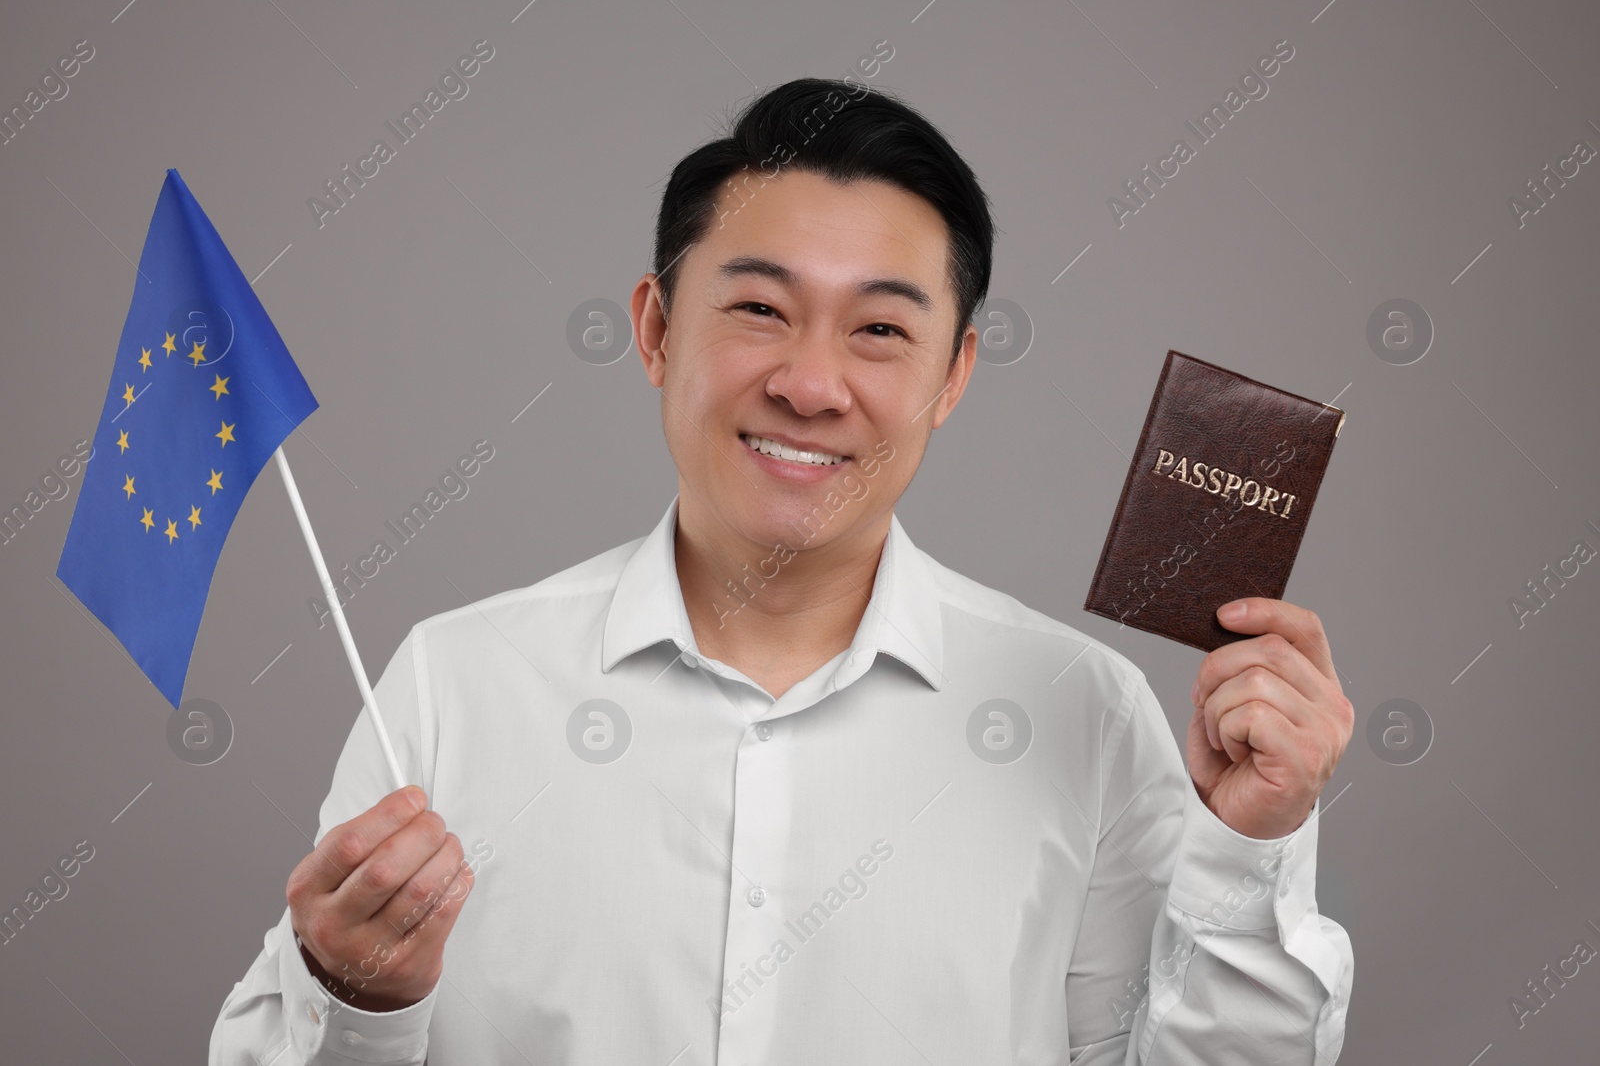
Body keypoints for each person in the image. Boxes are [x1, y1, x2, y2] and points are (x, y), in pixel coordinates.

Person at [211, 76, 1354, 1064]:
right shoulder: (448, 687)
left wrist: (1249, 848)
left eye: (879, 331)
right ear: (655, 330)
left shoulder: (1082, 711)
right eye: (759, 307)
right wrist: (354, 998)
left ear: (953, 375)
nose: (811, 384)